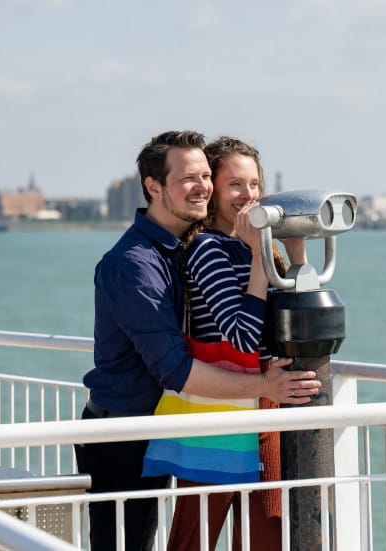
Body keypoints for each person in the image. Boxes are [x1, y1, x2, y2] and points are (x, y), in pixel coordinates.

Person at [75, 130, 320, 551]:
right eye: (190, 177)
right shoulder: (136, 264)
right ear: (154, 187)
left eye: (206, 175)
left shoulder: (182, 247)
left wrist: (287, 250)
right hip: (123, 431)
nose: (202, 187)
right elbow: (176, 369)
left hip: (171, 417)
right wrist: (264, 385)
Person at [146, 137, 304, 551]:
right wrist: (257, 257)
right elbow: (242, 336)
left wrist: (296, 253)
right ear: (214, 190)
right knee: (193, 539)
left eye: (253, 184)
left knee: (266, 536)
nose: (247, 194)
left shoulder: (260, 249)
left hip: (267, 408)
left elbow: (293, 322)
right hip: (216, 412)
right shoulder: (206, 248)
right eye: (235, 184)